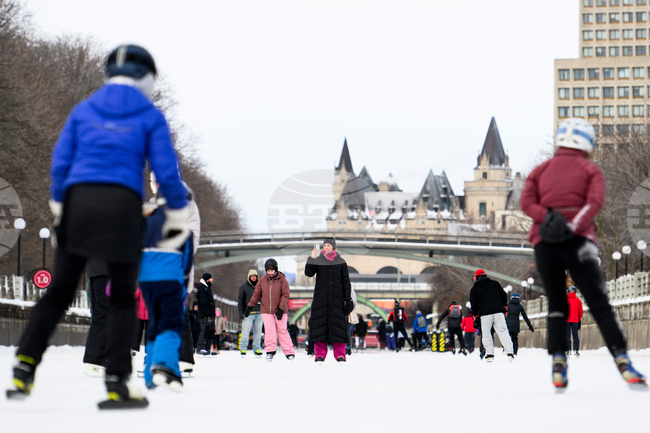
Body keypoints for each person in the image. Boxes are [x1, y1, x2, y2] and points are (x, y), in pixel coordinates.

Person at [7, 45, 189, 407]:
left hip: (80, 202)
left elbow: (60, 163)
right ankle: (116, 383)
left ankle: (25, 366)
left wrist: (60, 205)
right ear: (147, 78)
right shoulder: (149, 115)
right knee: (121, 298)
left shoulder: (84, 109)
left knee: (58, 292)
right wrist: (178, 214)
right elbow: (166, 173)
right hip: (122, 206)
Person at [520, 118, 646, 389]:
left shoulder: (541, 170)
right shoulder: (591, 170)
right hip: (578, 243)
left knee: (556, 304)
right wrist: (572, 226)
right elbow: (594, 202)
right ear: (587, 142)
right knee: (599, 304)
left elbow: (526, 202)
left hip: (545, 242)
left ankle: (557, 362)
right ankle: (622, 359)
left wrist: (548, 218)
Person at [137, 189, 193, 391]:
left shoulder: (145, 222)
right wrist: (183, 285)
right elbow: (186, 263)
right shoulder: (183, 228)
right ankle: (164, 366)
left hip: (146, 282)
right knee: (171, 323)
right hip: (169, 280)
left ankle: (150, 378)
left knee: (155, 322)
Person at [304, 239, 353, 364]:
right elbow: (308, 273)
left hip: (338, 299)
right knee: (320, 326)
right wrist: (311, 258)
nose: (326, 247)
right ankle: (320, 354)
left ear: (333, 248)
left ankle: (340, 355)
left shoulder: (341, 262)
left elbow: (346, 282)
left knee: (338, 328)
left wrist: (348, 299)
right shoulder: (319, 260)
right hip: (321, 299)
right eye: (324, 245)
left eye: (328, 245)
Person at [244, 258, 295, 361]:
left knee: (282, 330)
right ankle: (270, 351)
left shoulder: (282, 280)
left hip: (280, 310)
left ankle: (289, 352)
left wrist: (281, 308)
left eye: (271, 270)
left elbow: (285, 295)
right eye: (268, 270)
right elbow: (256, 295)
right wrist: (249, 306)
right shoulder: (262, 281)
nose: (270, 272)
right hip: (266, 310)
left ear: (276, 269)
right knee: (270, 330)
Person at [469, 269, 514, 363]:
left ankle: (489, 354)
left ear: (476, 277)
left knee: (486, 334)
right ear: (485, 275)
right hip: (498, 312)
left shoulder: (474, 289)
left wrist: (475, 315)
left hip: (485, 315)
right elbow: (504, 295)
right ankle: (510, 352)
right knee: (503, 332)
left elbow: (473, 304)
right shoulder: (495, 283)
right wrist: (504, 306)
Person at [82, 260, 110, 377]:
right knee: (104, 312)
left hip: (94, 268)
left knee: (99, 312)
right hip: (107, 268)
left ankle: (96, 357)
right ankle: (95, 358)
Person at [238, 269, 263, 357]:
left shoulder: (260, 287)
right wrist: (240, 311)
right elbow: (240, 300)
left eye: (255, 276)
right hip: (248, 313)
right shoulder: (243, 287)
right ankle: (243, 349)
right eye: (252, 276)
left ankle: (256, 349)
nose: (253, 277)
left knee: (258, 332)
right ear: (249, 277)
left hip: (259, 312)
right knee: (245, 332)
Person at [195, 273, 216, 355]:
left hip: (210, 315)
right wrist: (208, 315)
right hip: (204, 316)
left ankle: (207, 348)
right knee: (204, 331)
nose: (212, 280)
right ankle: (200, 348)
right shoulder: (202, 289)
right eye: (211, 278)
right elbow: (203, 304)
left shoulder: (207, 289)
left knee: (211, 331)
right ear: (207, 280)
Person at [566, 286, 584, 357]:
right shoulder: (578, 300)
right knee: (575, 335)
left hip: (567, 320)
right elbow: (581, 312)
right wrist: (579, 320)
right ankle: (576, 350)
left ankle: (568, 350)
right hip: (575, 321)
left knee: (567, 335)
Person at [132, 288, 149, 355]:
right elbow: (135, 297)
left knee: (148, 333)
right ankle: (135, 348)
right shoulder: (141, 288)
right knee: (137, 332)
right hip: (139, 314)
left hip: (149, 315)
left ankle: (148, 351)